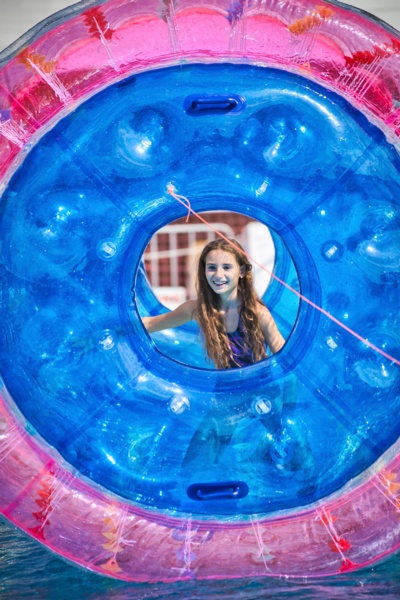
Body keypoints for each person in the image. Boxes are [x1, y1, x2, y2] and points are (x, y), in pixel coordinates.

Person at [142, 237, 284, 368]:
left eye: (227, 267)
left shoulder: (257, 314)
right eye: (211, 267)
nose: (218, 275)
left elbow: (286, 359)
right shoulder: (200, 310)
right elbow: (150, 324)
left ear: (241, 271)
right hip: (224, 386)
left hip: (260, 386)